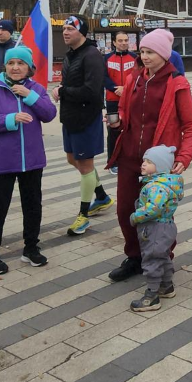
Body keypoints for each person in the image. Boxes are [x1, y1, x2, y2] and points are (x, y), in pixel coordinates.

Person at [107, 29, 192, 282]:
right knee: (125, 210)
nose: (145, 57)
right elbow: (124, 109)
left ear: (164, 55)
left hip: (158, 164)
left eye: (150, 52)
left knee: (158, 214)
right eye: (142, 51)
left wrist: (184, 157)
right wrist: (118, 120)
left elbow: (191, 125)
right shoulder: (134, 79)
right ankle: (135, 257)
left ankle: (161, 259)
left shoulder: (177, 83)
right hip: (129, 156)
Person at [0, 46, 57, 275]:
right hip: (0, 161)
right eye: (11, 63)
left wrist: (29, 96)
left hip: (31, 159)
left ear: (30, 67)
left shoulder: (36, 88)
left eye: (21, 63)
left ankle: (31, 248)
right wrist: (10, 119)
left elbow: (49, 114)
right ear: (5, 66)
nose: (16, 67)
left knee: (33, 206)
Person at [53, 15, 112, 236]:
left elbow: (91, 91)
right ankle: (101, 196)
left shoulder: (92, 55)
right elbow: (70, 83)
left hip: (86, 117)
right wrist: (60, 89)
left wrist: (63, 91)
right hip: (70, 117)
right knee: (72, 159)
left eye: (70, 28)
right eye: (64, 29)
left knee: (85, 165)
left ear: (82, 32)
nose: (65, 32)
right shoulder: (71, 55)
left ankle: (83, 216)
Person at [128, 145, 185, 312]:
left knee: (152, 259)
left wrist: (135, 217)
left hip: (155, 228)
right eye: (144, 160)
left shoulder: (156, 187)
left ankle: (151, 296)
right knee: (162, 256)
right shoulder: (164, 183)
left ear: (160, 166)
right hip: (166, 227)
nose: (143, 164)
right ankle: (166, 286)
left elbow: (153, 208)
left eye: (149, 162)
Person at [104, 31, 137, 176]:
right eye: (120, 40)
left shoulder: (135, 58)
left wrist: (126, 89)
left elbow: (138, 76)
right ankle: (113, 162)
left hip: (131, 99)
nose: (124, 43)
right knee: (113, 131)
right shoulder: (106, 58)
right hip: (112, 100)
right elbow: (103, 77)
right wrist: (115, 89)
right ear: (114, 42)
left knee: (132, 129)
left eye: (126, 40)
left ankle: (130, 160)